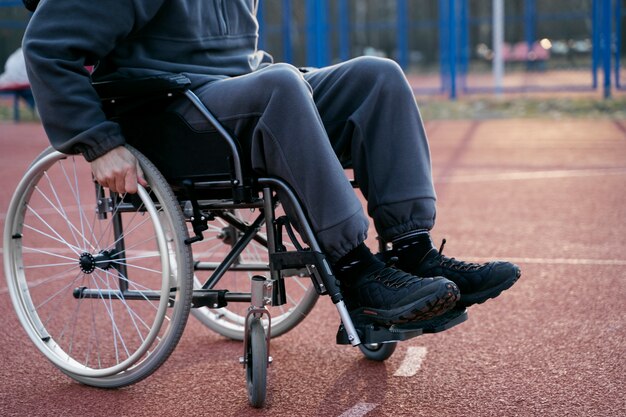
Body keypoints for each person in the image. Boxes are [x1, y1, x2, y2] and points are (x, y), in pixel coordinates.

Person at [22, 0, 520, 327]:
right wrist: (98, 141)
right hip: (167, 116)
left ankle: (412, 251)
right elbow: (47, 48)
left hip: (234, 97)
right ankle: (355, 270)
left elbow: (235, 63)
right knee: (281, 84)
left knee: (377, 76)